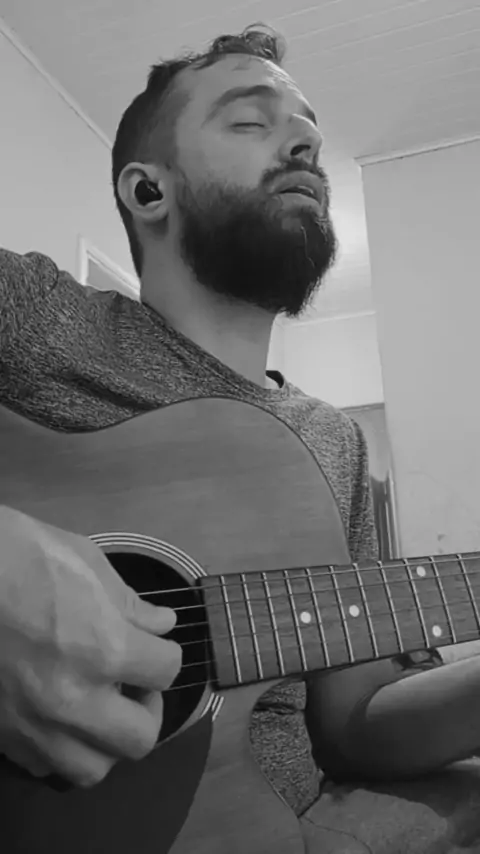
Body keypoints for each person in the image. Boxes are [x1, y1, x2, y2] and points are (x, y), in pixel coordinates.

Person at [2, 22, 480, 852]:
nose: (305, 144)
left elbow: (357, 720)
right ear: (147, 191)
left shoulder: (334, 441)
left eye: (309, 134)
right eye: (252, 121)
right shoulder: (36, 317)